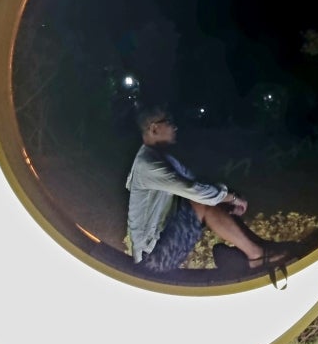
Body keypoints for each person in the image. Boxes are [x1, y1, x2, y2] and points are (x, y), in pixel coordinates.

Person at [125, 105, 298, 276]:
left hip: (160, 243)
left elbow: (198, 183)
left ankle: (260, 246)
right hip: (152, 259)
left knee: (212, 196)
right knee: (203, 201)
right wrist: (231, 198)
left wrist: (229, 196)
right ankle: (256, 256)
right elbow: (194, 190)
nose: (174, 127)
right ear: (154, 129)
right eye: (169, 122)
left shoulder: (162, 158)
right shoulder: (147, 165)